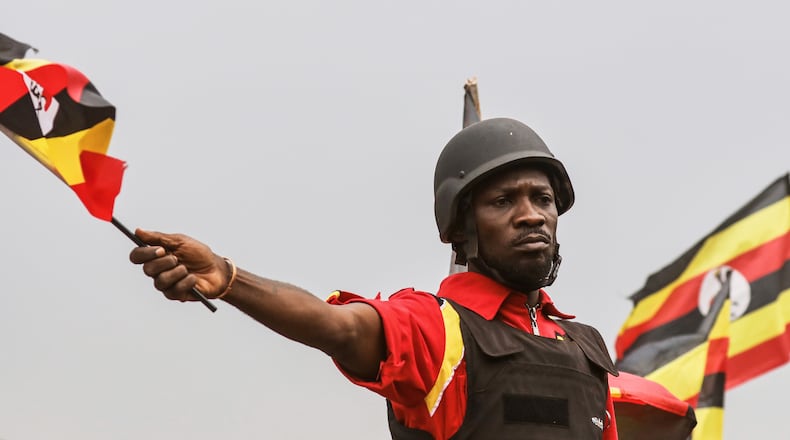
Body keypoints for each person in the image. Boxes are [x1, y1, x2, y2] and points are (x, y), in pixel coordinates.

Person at [130, 117, 619, 439]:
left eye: (543, 199)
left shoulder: (586, 349)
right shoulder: (438, 328)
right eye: (503, 201)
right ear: (461, 226)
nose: (531, 215)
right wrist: (229, 277)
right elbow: (338, 327)